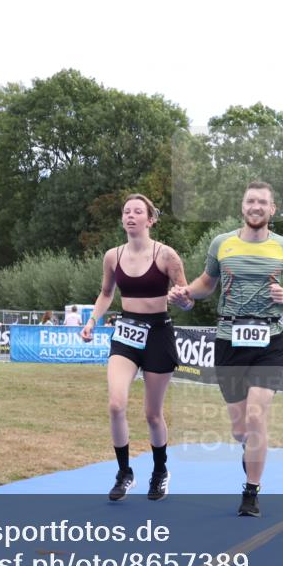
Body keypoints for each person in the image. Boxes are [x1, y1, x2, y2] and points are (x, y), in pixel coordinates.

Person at [169, 181, 283, 518]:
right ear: (242, 207)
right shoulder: (222, 243)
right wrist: (186, 292)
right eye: (250, 201)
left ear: (273, 209)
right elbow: (206, 283)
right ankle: (251, 447)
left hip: (269, 341)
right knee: (240, 429)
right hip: (229, 340)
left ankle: (251, 491)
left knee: (258, 415)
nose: (256, 207)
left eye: (263, 202)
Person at [81, 194, 189, 502]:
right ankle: (124, 472)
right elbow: (105, 293)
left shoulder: (167, 255)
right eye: (126, 211)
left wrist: (183, 299)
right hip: (126, 335)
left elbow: (188, 296)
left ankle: (160, 471)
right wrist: (92, 321)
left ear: (150, 219)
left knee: (153, 414)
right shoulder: (112, 256)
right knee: (116, 404)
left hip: (158, 334)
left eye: (137, 211)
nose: (130, 215)